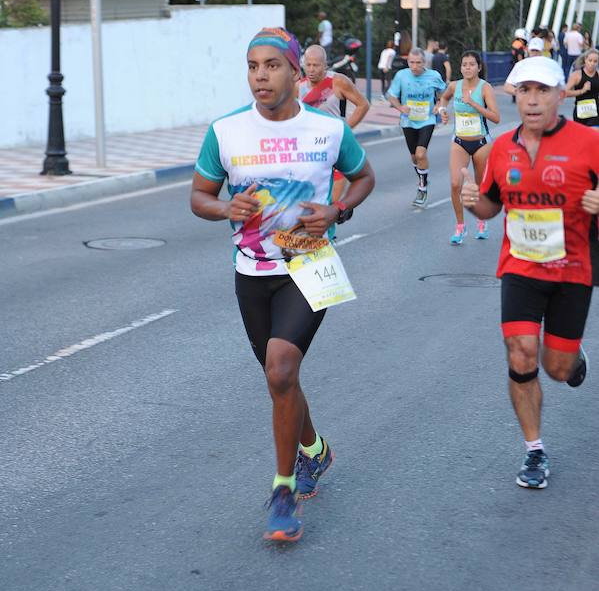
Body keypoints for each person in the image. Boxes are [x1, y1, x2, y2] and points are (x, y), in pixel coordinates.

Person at [190, 27, 375, 540]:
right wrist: (225, 206)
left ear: (296, 71)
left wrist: (338, 208)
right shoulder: (225, 132)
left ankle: (283, 490)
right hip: (252, 271)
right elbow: (199, 197)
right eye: (252, 66)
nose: (259, 76)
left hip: (308, 266)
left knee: (280, 367)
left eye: (271, 65)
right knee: (281, 380)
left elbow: (364, 178)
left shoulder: (328, 130)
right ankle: (316, 450)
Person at [461, 56, 599, 490]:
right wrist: (472, 203)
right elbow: (491, 204)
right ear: (514, 96)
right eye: (525, 92)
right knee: (520, 355)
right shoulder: (502, 148)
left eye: (543, 91)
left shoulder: (589, 143)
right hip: (520, 267)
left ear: (561, 94)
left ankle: (573, 363)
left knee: (555, 367)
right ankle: (534, 451)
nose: (534, 101)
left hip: (573, 269)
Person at [439, 51, 500, 244]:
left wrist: (473, 103)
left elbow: (496, 117)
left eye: (472, 64)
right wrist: (442, 110)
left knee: (480, 186)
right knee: (456, 183)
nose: (467, 67)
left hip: (481, 142)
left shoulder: (485, 88)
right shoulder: (454, 86)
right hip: (459, 140)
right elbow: (444, 98)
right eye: (464, 64)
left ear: (479, 67)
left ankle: (482, 221)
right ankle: (460, 226)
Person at [299, 43, 370, 201]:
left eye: (316, 65)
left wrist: (345, 130)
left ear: (325, 65)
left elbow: (363, 104)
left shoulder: (338, 81)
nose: (311, 69)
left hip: (334, 147)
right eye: (308, 65)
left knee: (330, 205)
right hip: (309, 151)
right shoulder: (299, 86)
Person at [387, 47, 446, 206]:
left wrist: (438, 105)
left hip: (427, 120)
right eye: (411, 63)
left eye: (418, 63)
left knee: (421, 154)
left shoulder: (433, 76)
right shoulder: (401, 76)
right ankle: (423, 176)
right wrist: (400, 108)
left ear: (424, 62)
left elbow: (443, 93)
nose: (414, 66)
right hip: (408, 120)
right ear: (408, 62)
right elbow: (391, 96)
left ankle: (423, 187)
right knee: (414, 157)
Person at [565, 48, 599, 128]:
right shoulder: (577, 75)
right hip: (580, 113)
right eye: (590, 60)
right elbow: (565, 92)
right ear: (585, 60)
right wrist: (582, 91)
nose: (592, 63)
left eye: (595, 61)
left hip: (596, 112)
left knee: (594, 134)